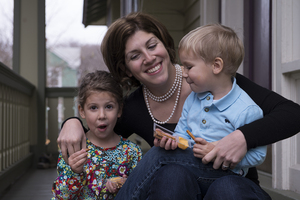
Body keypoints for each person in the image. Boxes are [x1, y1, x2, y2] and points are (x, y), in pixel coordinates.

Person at [57, 12, 300, 199]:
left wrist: (241, 138)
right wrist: (72, 122)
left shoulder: (219, 81)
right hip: (179, 190)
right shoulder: (133, 108)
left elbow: (292, 114)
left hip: (236, 186)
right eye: (135, 55)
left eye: (152, 46)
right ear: (125, 68)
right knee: (171, 174)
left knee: (215, 181)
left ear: (164, 43)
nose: (149, 58)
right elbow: (100, 129)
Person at [155, 23, 267, 197]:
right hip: (191, 173)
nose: (183, 73)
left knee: (226, 187)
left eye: (189, 67)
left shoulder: (246, 108)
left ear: (216, 66)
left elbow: (258, 155)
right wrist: (174, 141)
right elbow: (182, 133)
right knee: (169, 173)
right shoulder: (193, 99)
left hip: (227, 175)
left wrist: (223, 156)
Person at [51, 70, 142, 200]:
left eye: (109, 107)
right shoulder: (74, 147)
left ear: (119, 110)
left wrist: (126, 185)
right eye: (93, 108)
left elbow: (141, 191)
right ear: (82, 111)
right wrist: (74, 172)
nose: (101, 116)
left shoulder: (132, 152)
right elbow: (60, 196)